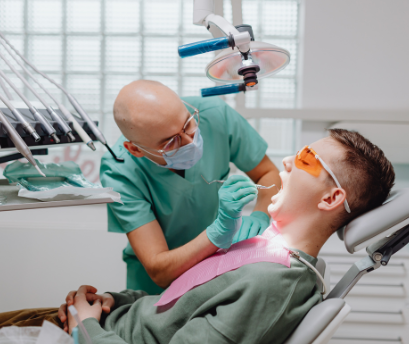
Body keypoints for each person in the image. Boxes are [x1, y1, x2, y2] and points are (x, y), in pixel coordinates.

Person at [0, 129, 395, 344]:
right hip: (110, 321)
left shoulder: (277, 283)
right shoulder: (265, 250)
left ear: (332, 200)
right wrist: (112, 299)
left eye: (308, 160)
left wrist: (87, 327)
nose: (288, 161)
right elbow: (175, 301)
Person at [100, 80, 281, 294]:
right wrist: (218, 232)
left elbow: (268, 174)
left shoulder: (215, 114)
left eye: (188, 124)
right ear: (135, 150)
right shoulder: (119, 171)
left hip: (218, 269)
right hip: (158, 289)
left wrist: (260, 216)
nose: (190, 141)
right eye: (170, 142)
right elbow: (159, 269)